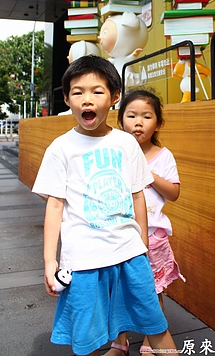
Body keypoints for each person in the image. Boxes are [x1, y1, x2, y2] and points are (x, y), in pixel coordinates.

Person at [32, 56, 177, 356]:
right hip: (83, 261)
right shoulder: (60, 149)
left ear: (114, 97)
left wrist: (143, 246)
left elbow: (138, 196)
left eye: (97, 91)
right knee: (88, 338)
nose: (87, 99)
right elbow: (55, 205)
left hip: (129, 253)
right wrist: (49, 261)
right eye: (77, 92)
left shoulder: (126, 144)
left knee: (155, 324)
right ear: (66, 99)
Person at [109, 89, 185, 356]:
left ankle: (150, 343)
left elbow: (174, 193)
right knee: (117, 291)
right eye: (131, 116)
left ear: (158, 123)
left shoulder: (163, 156)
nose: (138, 122)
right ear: (121, 120)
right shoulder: (114, 153)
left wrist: (147, 173)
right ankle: (119, 343)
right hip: (119, 234)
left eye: (146, 116)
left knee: (152, 291)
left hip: (153, 237)